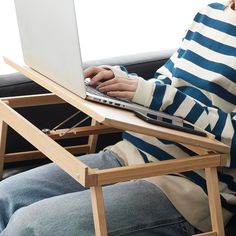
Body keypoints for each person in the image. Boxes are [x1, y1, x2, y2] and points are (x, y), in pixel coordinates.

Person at [0, 1, 236, 235]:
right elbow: (166, 84)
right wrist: (120, 82)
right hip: (129, 155)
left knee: (30, 226)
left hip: (189, 186)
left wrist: (151, 94)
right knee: (5, 197)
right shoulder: (210, 14)